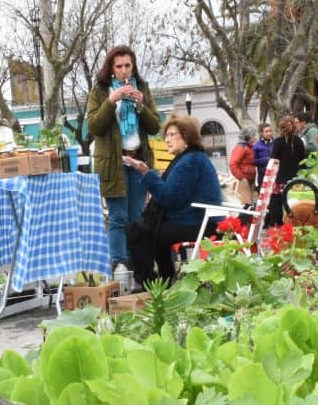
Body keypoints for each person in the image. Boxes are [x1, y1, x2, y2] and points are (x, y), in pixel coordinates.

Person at [85, 45, 161, 272]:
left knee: (136, 216)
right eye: (119, 66)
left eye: (128, 65)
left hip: (138, 161)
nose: (124, 70)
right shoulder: (100, 91)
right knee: (118, 218)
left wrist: (141, 106)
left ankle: (137, 264)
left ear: (133, 66)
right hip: (113, 164)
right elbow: (94, 127)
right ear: (111, 69)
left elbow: (155, 126)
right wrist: (111, 101)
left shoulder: (143, 88)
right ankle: (120, 264)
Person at [125, 115, 223, 286]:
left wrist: (146, 173)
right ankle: (163, 278)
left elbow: (170, 198)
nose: (167, 140)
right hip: (199, 218)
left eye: (171, 135)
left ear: (186, 136)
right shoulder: (192, 158)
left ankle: (157, 280)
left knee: (146, 231)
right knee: (150, 229)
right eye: (166, 136)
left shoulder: (189, 161)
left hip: (199, 222)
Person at [265, 115, 307, 227]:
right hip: (296, 178)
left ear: (281, 128)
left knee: (277, 201)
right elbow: (303, 161)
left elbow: (274, 159)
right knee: (296, 201)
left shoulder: (278, 142)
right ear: (294, 127)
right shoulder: (299, 141)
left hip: (281, 178)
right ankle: (297, 223)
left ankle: (276, 224)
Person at [228, 127, 257, 206]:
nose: (255, 137)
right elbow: (232, 164)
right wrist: (242, 178)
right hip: (245, 180)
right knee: (247, 205)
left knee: (250, 204)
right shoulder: (241, 147)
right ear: (248, 137)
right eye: (253, 135)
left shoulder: (249, 147)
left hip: (250, 179)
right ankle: (246, 218)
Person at [252, 123, 274, 188]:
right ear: (261, 133)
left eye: (270, 131)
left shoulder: (276, 143)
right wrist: (266, 160)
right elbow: (253, 161)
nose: (269, 133)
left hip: (276, 176)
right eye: (266, 131)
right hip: (263, 177)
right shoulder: (256, 146)